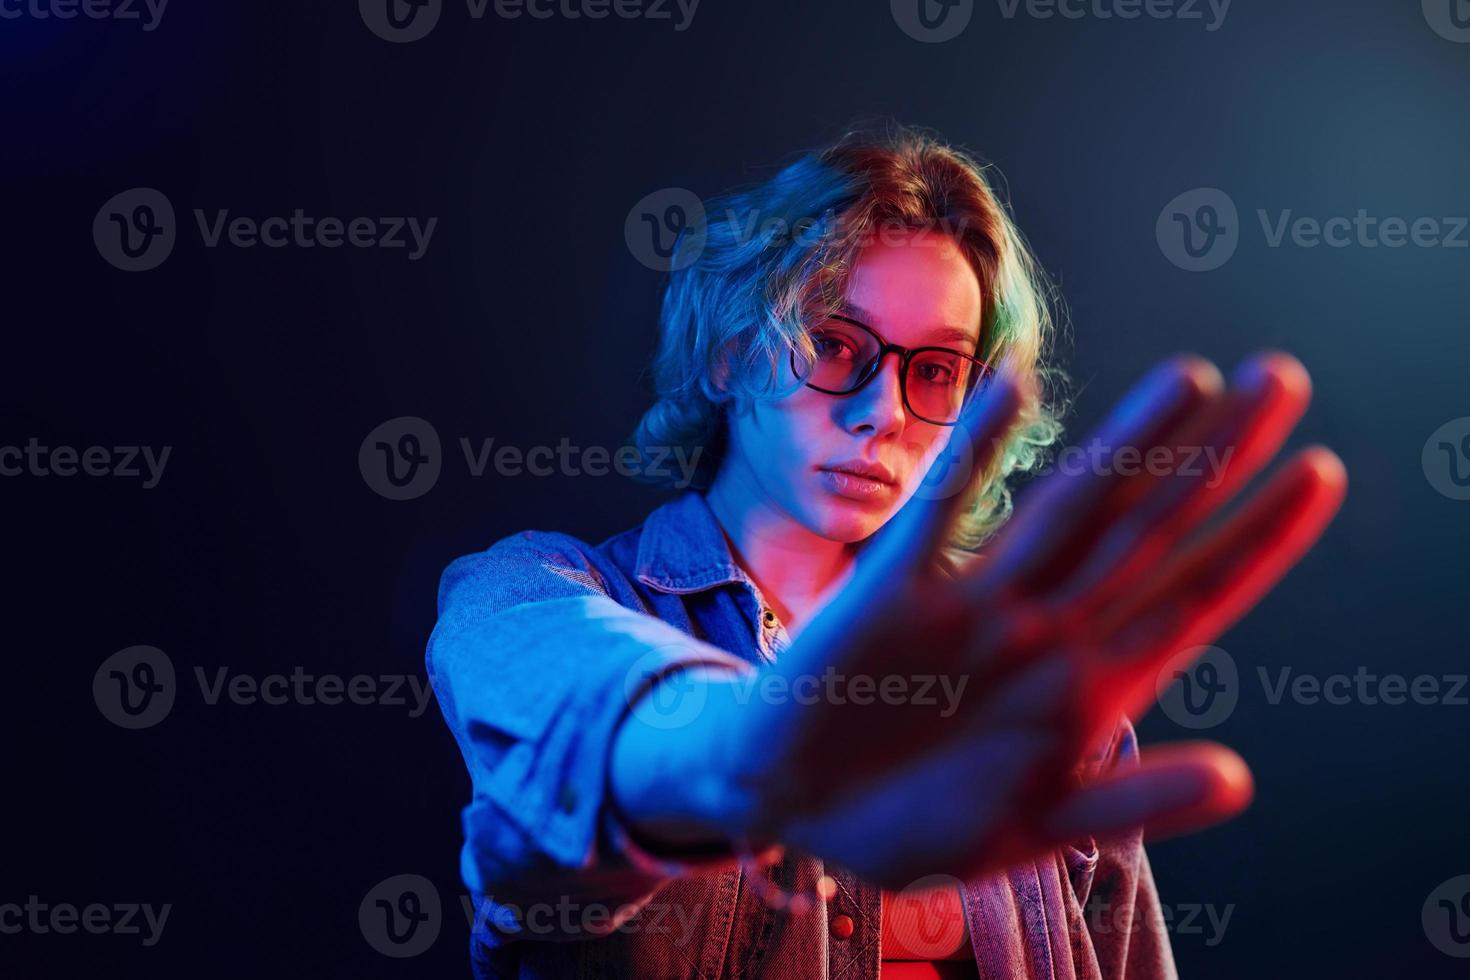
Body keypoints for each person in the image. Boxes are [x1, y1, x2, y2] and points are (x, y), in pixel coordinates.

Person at [425, 122, 1347, 979]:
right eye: (833, 344)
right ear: (728, 355)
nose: (886, 411)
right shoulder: (535, 589)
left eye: (936, 369)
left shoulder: (1029, 689)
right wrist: (753, 751)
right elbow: (564, 697)